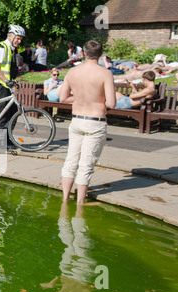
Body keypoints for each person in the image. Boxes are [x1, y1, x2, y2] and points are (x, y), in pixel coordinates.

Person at [59, 39, 116, 204]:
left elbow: (63, 98)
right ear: (100, 54)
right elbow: (111, 103)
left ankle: (65, 198)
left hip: (77, 120)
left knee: (71, 160)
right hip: (95, 121)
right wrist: (96, 102)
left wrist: (78, 100)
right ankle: (80, 203)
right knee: (86, 164)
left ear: (83, 53)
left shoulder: (72, 72)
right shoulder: (105, 73)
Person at [0, 24, 25, 151]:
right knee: (3, 113)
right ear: (10, 35)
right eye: (17, 38)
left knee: (13, 111)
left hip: (4, 84)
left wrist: (12, 81)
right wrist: (6, 81)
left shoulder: (11, 49)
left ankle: (7, 139)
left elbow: (7, 68)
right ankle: (0, 143)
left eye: (20, 39)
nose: (19, 41)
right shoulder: (2, 48)